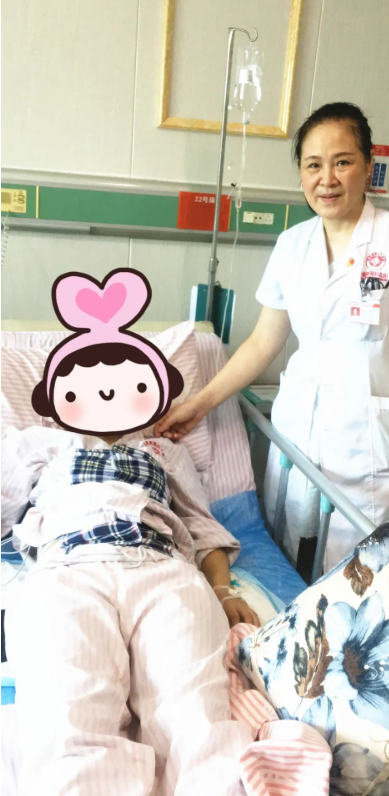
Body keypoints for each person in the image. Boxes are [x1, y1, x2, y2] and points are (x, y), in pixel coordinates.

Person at [156, 102, 389, 570]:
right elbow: (263, 342)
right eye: (313, 165)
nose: (326, 179)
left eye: (342, 162)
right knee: (295, 557)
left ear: (368, 166)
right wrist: (199, 404)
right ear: (301, 174)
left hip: (373, 444)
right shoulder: (292, 245)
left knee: (380, 572)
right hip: (299, 434)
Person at [2, 269, 259, 796]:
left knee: (196, 712)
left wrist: (222, 588)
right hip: (67, 570)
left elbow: (200, 525)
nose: (107, 394)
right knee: (69, 710)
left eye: (130, 383)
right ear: (56, 397)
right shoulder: (41, 445)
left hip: (162, 567)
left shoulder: (165, 452)